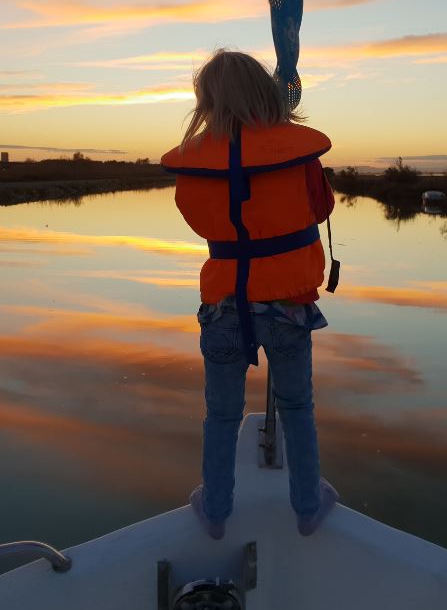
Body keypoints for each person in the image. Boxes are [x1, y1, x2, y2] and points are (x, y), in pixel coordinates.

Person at [161, 49, 338, 540]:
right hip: (287, 305)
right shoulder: (298, 150)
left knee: (221, 414)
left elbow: (197, 219)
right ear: (265, 90)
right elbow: (321, 208)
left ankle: (216, 512)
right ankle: (307, 507)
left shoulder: (195, 161)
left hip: (223, 308)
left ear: (206, 99)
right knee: (298, 407)